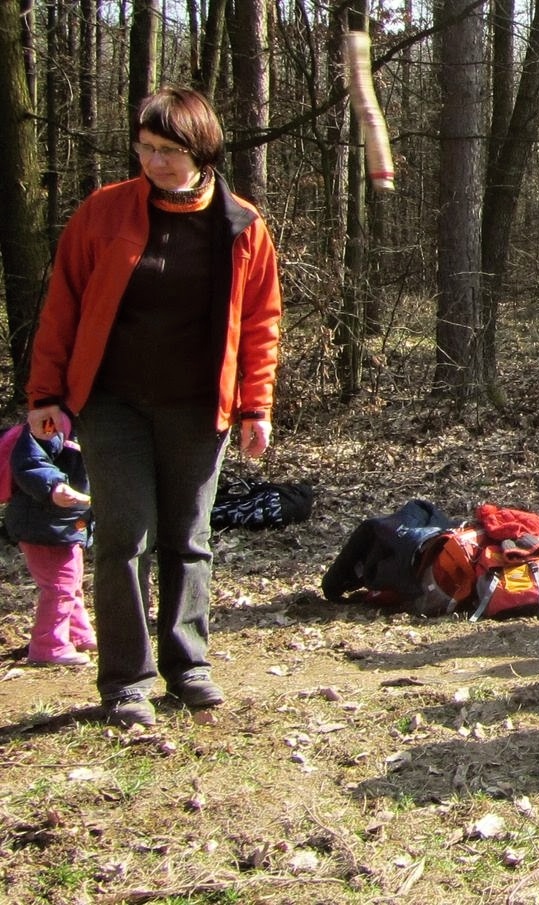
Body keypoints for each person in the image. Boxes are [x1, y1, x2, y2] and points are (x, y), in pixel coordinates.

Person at [26, 86, 282, 728]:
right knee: (124, 537)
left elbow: (261, 324)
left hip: (198, 408)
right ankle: (126, 682)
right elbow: (63, 304)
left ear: (202, 150)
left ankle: (188, 666)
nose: (155, 162)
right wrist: (45, 393)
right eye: (145, 148)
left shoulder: (241, 226)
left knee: (189, 537)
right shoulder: (103, 213)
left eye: (169, 150)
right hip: (112, 403)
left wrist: (256, 406)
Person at [3, 414, 96, 667]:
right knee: (60, 586)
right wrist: (54, 485)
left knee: (72, 580)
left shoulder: (92, 421)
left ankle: (77, 633)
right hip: (43, 523)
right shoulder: (54, 419)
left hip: (68, 523)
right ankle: (48, 646)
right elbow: (31, 458)